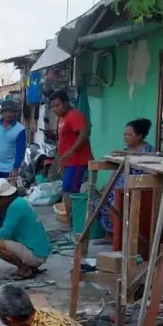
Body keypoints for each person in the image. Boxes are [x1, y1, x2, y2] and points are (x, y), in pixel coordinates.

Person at [0, 178, 51, 279]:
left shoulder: (15, 207)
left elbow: (5, 233)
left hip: (36, 255)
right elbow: (10, 234)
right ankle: (28, 266)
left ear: (4, 197)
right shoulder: (20, 202)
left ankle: (24, 268)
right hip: (39, 251)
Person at [99, 118, 155, 236]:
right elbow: (116, 171)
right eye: (125, 134)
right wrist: (108, 185)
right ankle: (109, 235)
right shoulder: (125, 150)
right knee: (99, 200)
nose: (126, 137)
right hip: (118, 186)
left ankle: (118, 237)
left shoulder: (147, 151)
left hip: (133, 187)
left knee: (115, 203)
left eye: (129, 134)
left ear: (140, 135)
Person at [49, 89, 92, 225]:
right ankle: (72, 220)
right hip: (69, 162)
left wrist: (71, 151)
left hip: (78, 160)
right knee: (68, 189)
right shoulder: (62, 118)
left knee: (70, 189)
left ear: (66, 103)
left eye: (58, 105)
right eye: (53, 107)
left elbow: (83, 134)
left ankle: (74, 222)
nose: (55, 109)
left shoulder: (75, 115)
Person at [0, 98, 27, 225]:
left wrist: (16, 168)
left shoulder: (20, 129)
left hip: (10, 170)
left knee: (10, 197)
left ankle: (10, 223)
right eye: (7, 111)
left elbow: (20, 150)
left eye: (12, 111)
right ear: (1, 112)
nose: (9, 114)